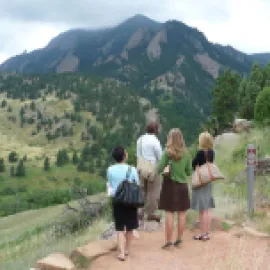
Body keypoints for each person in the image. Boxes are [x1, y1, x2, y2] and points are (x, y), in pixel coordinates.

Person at [158, 128, 192, 249]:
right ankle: (179, 240)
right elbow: (189, 172)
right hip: (183, 186)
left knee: (169, 213)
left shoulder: (167, 153)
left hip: (169, 185)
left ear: (170, 139)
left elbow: (159, 168)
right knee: (182, 213)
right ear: (181, 139)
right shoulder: (187, 154)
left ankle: (168, 242)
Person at [107, 146, 140, 261]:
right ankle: (127, 249)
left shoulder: (110, 169)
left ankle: (121, 252)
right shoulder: (132, 169)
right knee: (130, 227)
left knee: (120, 227)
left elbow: (110, 184)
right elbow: (137, 184)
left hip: (117, 200)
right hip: (130, 200)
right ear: (124, 156)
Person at [191, 132, 215, 241]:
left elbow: (194, 164)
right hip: (209, 180)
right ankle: (207, 233)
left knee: (202, 209)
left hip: (201, 181)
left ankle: (202, 233)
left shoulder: (200, 153)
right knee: (208, 207)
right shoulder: (212, 152)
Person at [136, 121, 162, 222]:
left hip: (141, 166)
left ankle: (139, 212)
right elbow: (160, 157)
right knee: (153, 191)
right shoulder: (155, 141)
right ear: (155, 130)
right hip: (152, 168)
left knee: (142, 190)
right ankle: (150, 214)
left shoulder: (140, 139)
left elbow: (138, 155)